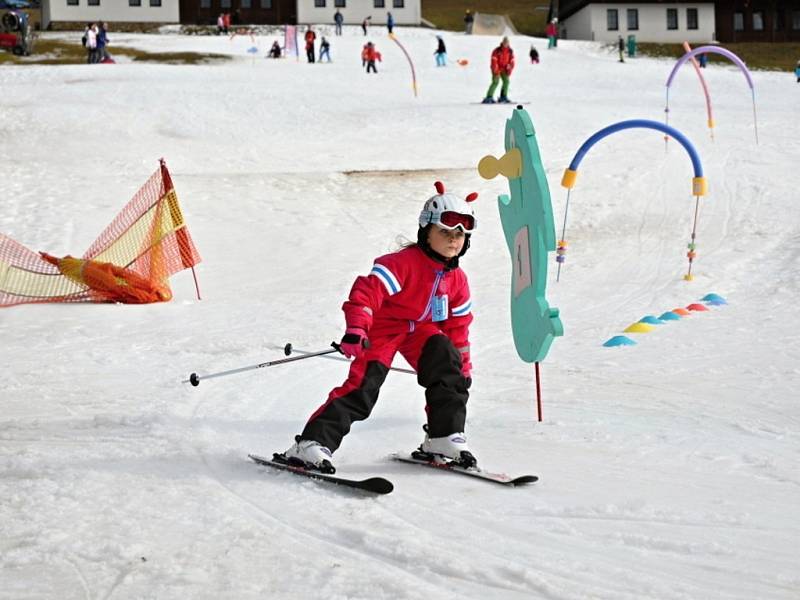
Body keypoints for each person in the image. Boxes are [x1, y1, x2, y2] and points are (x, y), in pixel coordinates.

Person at [280, 181, 478, 473]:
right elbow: (366, 293)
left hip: (420, 331)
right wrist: (357, 329)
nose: (453, 240)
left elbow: (458, 327)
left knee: (447, 360)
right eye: (445, 232)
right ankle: (311, 444)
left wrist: (464, 367)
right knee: (364, 387)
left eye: (460, 234)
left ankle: (443, 436)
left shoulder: (457, 280)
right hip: (383, 328)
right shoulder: (404, 264)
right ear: (426, 232)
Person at [482, 37, 514, 104]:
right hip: (496, 68)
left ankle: (503, 97)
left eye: (507, 42)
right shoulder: (497, 50)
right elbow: (494, 60)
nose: (506, 43)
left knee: (506, 81)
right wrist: (495, 69)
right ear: (502, 42)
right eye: (504, 42)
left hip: (504, 69)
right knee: (495, 82)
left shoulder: (510, 51)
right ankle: (489, 97)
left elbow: (512, 61)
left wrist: (509, 69)